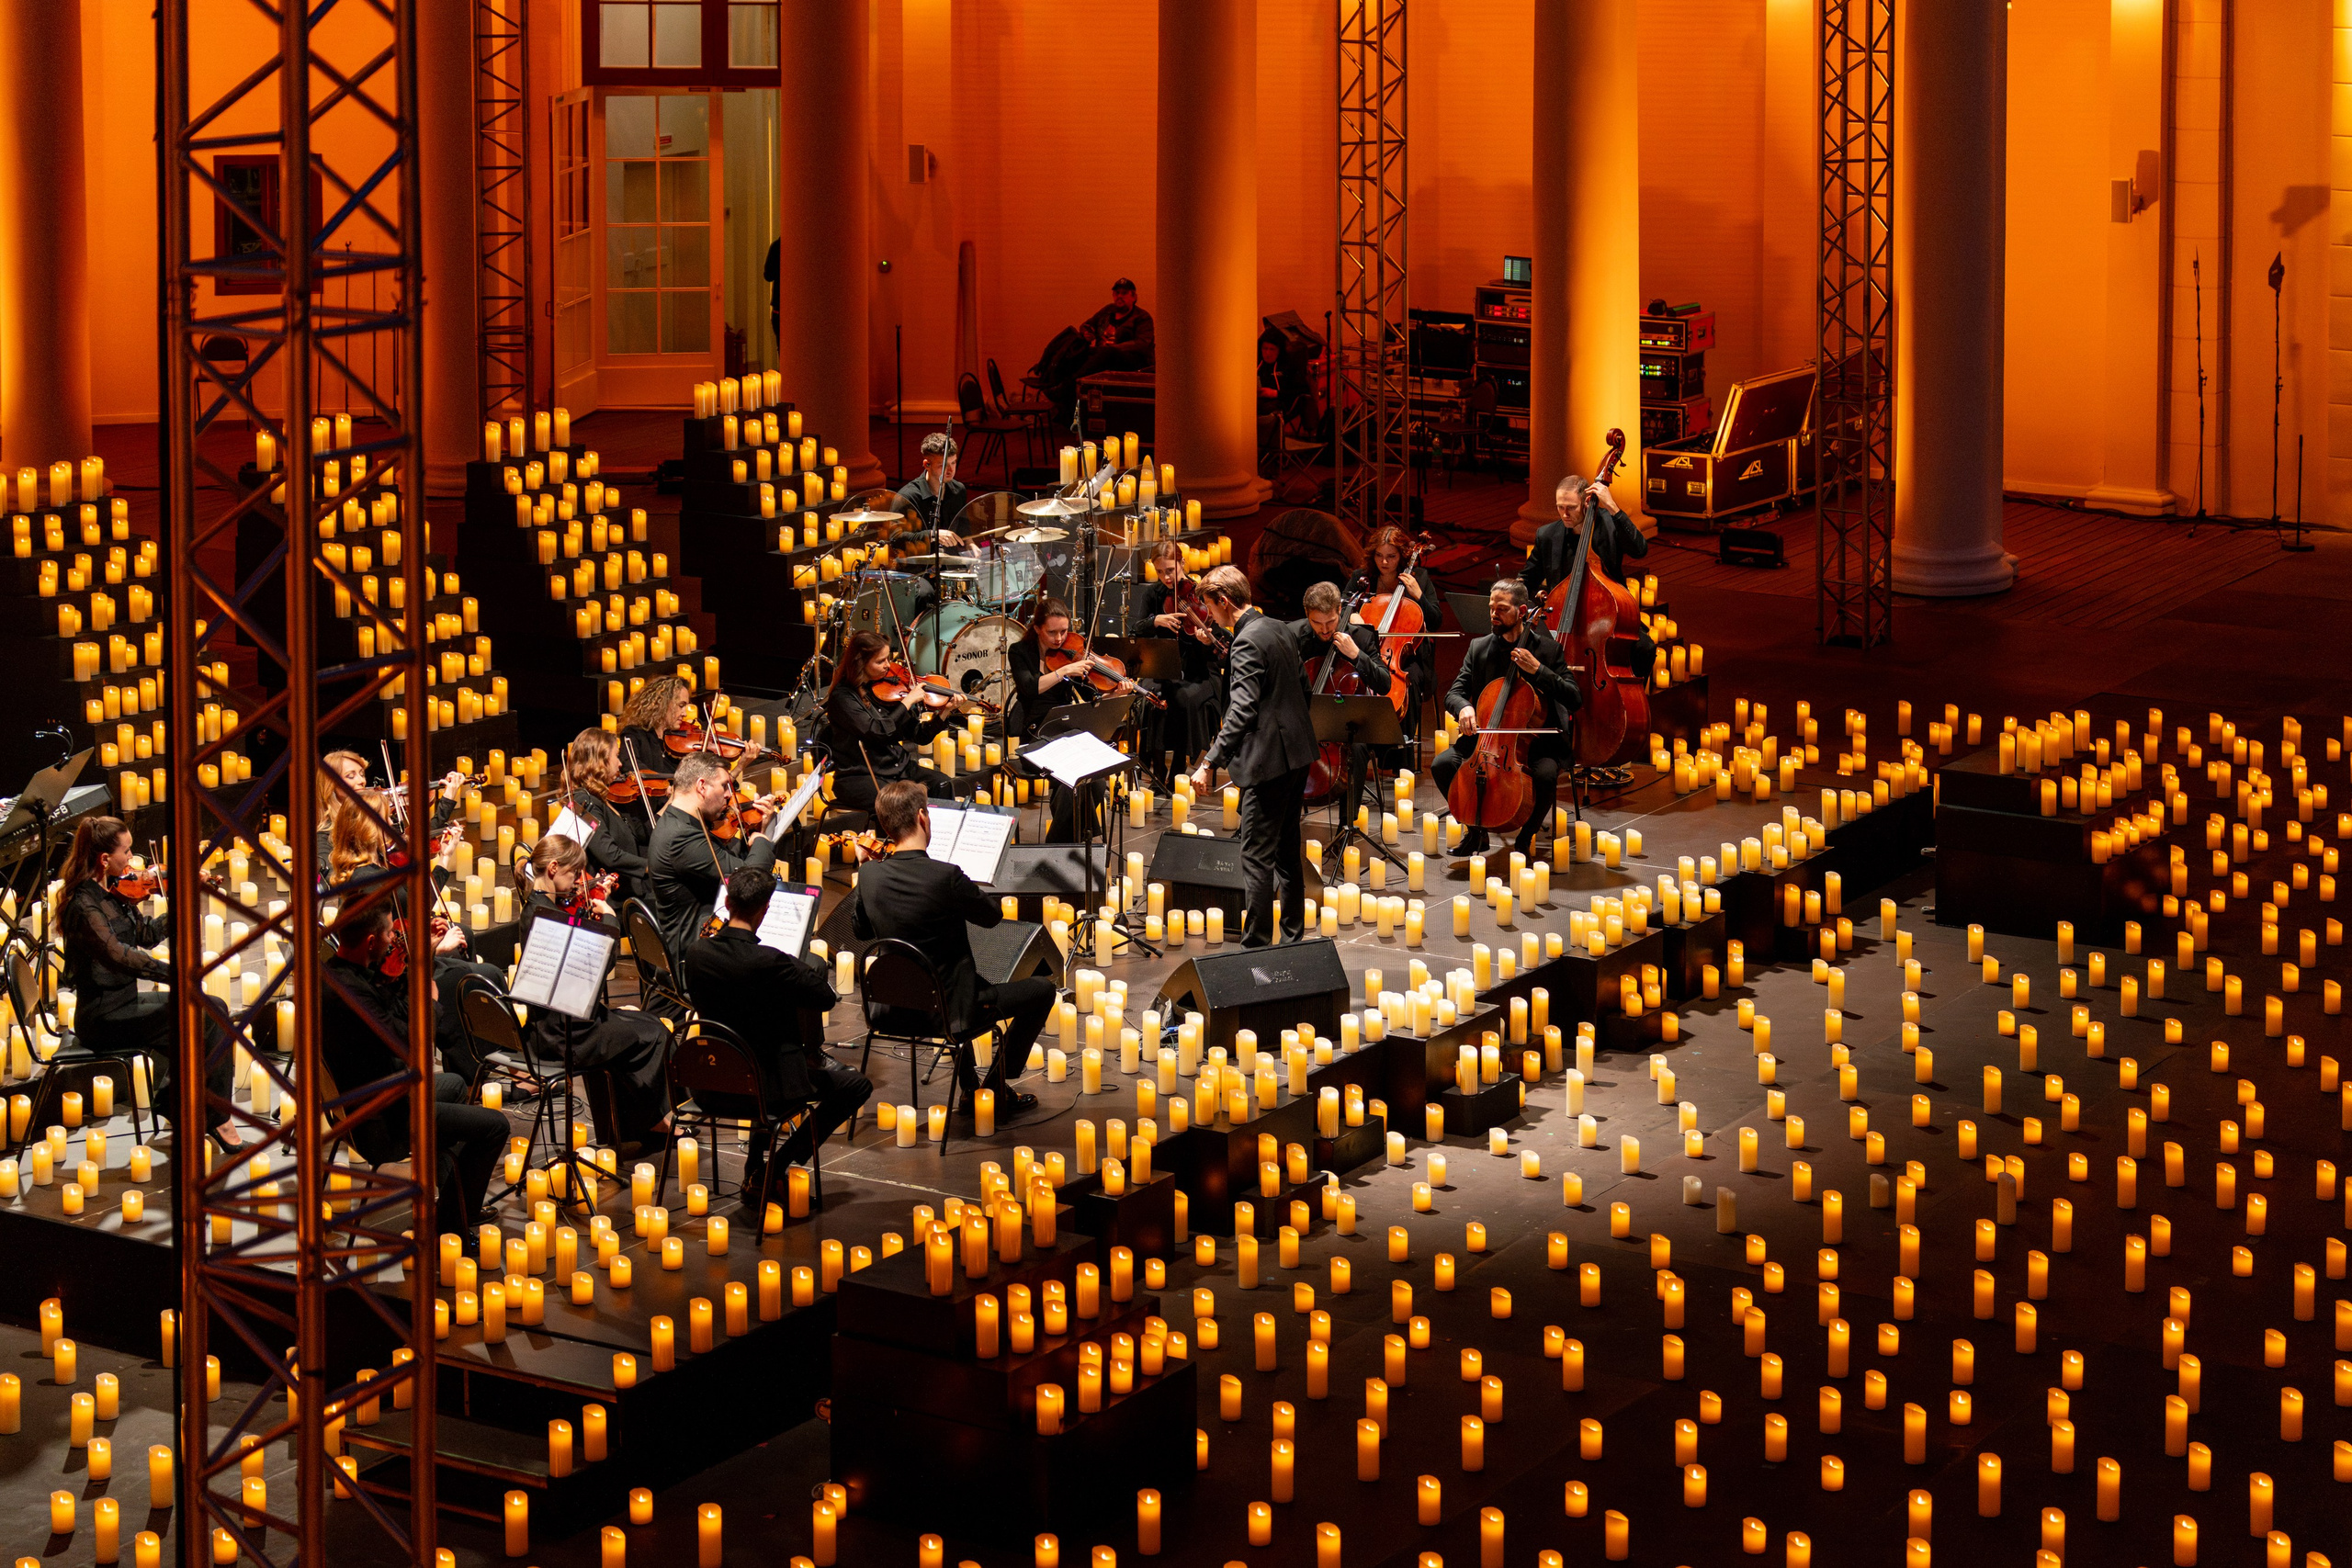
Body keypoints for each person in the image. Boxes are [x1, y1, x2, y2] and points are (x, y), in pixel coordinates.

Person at [852, 781, 1049, 1121]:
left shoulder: (869, 874)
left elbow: (862, 931)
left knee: (954, 976)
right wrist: (961, 886)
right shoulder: (945, 876)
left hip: (894, 1006)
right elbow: (992, 917)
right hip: (949, 1012)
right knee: (1043, 990)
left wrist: (864, 869)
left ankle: (972, 1090)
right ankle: (995, 1089)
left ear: (885, 826)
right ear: (923, 818)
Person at [679, 864, 869, 1202]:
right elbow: (824, 997)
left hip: (711, 1082)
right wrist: (789, 962)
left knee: (758, 1052)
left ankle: (755, 1162)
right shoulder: (771, 963)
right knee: (856, 1086)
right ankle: (775, 1165)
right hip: (769, 1090)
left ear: (728, 903)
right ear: (765, 911)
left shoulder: (696, 954)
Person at [319, 898, 509, 1234]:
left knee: (450, 1083)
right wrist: (432, 1004)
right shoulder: (350, 996)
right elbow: (408, 1047)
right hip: (381, 1120)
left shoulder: (336, 974)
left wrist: (427, 956)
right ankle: (452, 1222)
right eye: (390, 933)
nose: (395, 940)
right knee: (495, 1126)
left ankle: (454, 1201)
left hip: (363, 1099)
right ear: (371, 942)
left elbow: (390, 1008)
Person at [55, 816, 240, 1147]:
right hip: (103, 1017)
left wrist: (183, 898)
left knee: (218, 1008)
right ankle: (217, 1119)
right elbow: (120, 956)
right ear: (104, 859)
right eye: (126, 851)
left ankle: (177, 1101)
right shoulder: (85, 906)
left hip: (125, 1004)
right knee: (207, 1018)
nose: (133, 859)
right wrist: (174, 975)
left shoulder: (113, 893)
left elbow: (146, 935)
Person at [325, 793, 506, 1082]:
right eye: (386, 820)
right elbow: (394, 943)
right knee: (482, 977)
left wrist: (442, 860)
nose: (394, 826)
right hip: (396, 979)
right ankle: (475, 1074)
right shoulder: (369, 881)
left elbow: (411, 907)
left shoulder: (377, 869)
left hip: (404, 962)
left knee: (480, 966)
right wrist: (434, 949)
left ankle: (477, 1065)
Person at [518, 835, 677, 1155]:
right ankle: (656, 1120)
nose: (580, 882)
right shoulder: (550, 917)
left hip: (545, 1028)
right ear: (552, 868)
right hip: (569, 1036)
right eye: (575, 874)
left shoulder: (536, 908)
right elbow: (595, 971)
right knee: (655, 1032)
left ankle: (630, 1124)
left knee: (639, 1024)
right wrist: (608, 920)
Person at [1191, 566, 1318, 948]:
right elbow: (1303, 688)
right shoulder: (1277, 626)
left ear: (1224, 602)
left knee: (1256, 857)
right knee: (1286, 851)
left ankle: (1256, 944)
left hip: (1270, 764)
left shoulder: (1247, 642)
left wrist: (1210, 761)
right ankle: (1293, 936)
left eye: (1210, 608)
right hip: (1297, 755)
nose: (1210, 616)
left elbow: (1242, 711)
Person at [1432, 579, 1581, 861]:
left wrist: (1539, 671)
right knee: (1442, 765)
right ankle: (1476, 832)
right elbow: (1454, 693)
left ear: (1523, 611)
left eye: (1501, 609)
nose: (1493, 614)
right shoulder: (1479, 648)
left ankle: (1524, 840)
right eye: (1491, 608)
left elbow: (1574, 697)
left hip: (1536, 742)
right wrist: (1464, 707)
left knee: (1546, 775)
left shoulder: (1548, 652)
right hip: (1487, 740)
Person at [1008, 598, 1134, 841]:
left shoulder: (1072, 653)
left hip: (1066, 729)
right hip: (1036, 733)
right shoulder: (1020, 651)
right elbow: (1029, 687)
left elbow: (1091, 697)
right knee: (1074, 779)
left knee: (1094, 780)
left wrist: (1114, 693)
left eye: (1064, 631)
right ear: (1037, 629)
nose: (1058, 638)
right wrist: (1062, 672)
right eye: (1051, 632)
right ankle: (1071, 842)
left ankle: (1059, 842)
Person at [646, 753, 782, 964]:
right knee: (807, 966)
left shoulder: (682, 822)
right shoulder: (681, 837)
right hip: (695, 956)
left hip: (705, 940)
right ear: (702, 786)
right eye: (725, 786)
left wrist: (757, 832)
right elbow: (750, 881)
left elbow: (727, 863)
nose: (730, 795)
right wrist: (763, 838)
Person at [1522, 471, 1657, 680]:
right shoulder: (1547, 535)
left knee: (1644, 648)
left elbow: (1640, 550)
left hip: (1608, 618)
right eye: (1560, 507)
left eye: (1571, 508)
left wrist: (1613, 507)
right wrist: (1526, 594)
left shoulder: (1610, 525)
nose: (1564, 513)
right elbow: (1527, 578)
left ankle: (1630, 700)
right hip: (1561, 620)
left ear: (1586, 502)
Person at [821, 630, 964, 817]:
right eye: (880, 661)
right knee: (895, 804)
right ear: (860, 662)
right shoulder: (843, 698)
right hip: (861, 775)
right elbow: (876, 731)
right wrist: (906, 703)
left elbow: (920, 736)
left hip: (896, 767)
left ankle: (938, 842)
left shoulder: (885, 690)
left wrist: (945, 712)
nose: (888, 666)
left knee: (942, 784)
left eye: (888, 658)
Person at [1293, 579, 1393, 827]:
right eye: (1317, 623)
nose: (1325, 630)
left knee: (1357, 750)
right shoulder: (1294, 635)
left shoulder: (1361, 636)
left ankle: (1346, 825)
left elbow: (1384, 683)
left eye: (1331, 622)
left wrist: (1356, 655)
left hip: (1348, 726)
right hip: (1304, 722)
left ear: (1340, 610)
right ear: (1307, 615)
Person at [1128, 540, 1225, 775]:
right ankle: (1158, 768)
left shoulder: (1199, 593)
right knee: (1153, 698)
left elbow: (1218, 639)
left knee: (1181, 699)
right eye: (1160, 571)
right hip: (1163, 669)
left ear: (1182, 563)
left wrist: (1203, 640)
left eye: (1170, 570)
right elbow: (1134, 630)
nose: (1166, 578)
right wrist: (1155, 621)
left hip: (1198, 671)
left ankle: (1179, 767)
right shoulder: (1153, 595)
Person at [1345, 525, 1438, 735]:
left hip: (1405, 658)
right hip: (1365, 651)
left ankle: (1399, 760)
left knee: (1410, 683)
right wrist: (1352, 615)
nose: (1384, 562)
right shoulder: (1362, 578)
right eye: (1379, 555)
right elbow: (1343, 607)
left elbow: (1436, 620)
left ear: (1403, 556)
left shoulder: (1419, 578)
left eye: (1391, 556)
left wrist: (1418, 595)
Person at [552, 728, 653, 911]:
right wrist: (651, 867)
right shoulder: (583, 801)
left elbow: (639, 834)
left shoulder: (604, 798)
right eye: (616, 756)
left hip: (629, 891)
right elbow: (608, 854)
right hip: (610, 901)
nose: (621, 764)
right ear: (600, 761)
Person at [1046, 277, 1156, 423]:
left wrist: (1114, 348)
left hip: (1131, 363)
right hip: (1100, 359)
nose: (1119, 296)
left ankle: (1067, 386)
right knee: (1077, 350)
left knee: (1106, 352)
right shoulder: (1107, 311)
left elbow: (1142, 343)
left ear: (1134, 297)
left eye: (1124, 293)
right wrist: (1087, 332)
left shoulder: (1142, 317)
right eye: (1116, 293)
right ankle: (1060, 393)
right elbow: (1087, 324)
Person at [889, 433, 969, 547]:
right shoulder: (907, 496)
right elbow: (896, 538)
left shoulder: (959, 490)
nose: (950, 470)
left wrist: (970, 543)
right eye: (942, 465)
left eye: (953, 463)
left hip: (950, 561)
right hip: (921, 563)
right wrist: (932, 535)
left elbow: (963, 525)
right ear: (927, 464)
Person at [616, 675, 695, 784]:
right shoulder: (634, 734)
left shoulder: (680, 742)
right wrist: (661, 785)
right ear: (663, 704)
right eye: (681, 706)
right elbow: (629, 764)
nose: (685, 714)